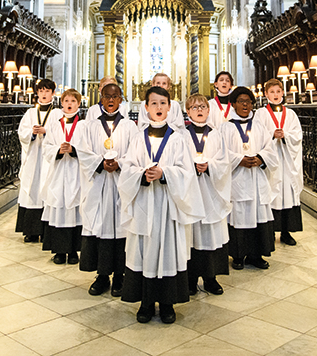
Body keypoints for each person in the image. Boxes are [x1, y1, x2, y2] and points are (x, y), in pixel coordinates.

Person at [119, 86, 204, 324]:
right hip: (144, 203)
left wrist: (165, 173)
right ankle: (145, 302)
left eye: (163, 103)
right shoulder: (138, 138)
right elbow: (127, 170)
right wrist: (142, 175)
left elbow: (187, 173)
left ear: (170, 107)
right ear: (145, 107)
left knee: (167, 250)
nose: (158, 108)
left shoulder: (178, 139)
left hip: (168, 205)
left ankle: (167, 303)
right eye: (153, 103)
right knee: (144, 251)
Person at [74, 82, 136, 297]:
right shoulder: (89, 126)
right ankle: (101, 276)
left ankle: (119, 276)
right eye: (107, 96)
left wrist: (121, 164)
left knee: (120, 228)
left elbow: (136, 155)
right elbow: (82, 152)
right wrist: (100, 163)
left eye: (115, 96)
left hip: (120, 186)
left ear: (121, 99)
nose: (111, 100)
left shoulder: (130, 127)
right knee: (99, 227)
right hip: (99, 186)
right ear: (101, 99)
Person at [219, 86, 278, 270]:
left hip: (256, 178)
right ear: (234, 104)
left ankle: (256, 255)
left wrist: (260, 158)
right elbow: (220, 153)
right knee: (239, 216)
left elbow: (270, 149)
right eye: (241, 101)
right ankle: (238, 256)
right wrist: (239, 160)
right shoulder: (225, 128)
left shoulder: (259, 126)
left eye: (248, 101)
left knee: (258, 216)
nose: (245, 105)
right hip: (238, 180)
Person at [183, 94, 230, 295]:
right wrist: (191, 167)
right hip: (191, 192)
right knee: (191, 235)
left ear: (209, 110)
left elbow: (224, 162)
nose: (199, 110)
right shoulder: (181, 135)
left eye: (202, 106)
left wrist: (210, 166)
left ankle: (211, 278)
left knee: (210, 234)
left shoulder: (216, 134)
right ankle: (191, 279)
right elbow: (177, 162)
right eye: (194, 107)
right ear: (187, 111)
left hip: (211, 191)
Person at [254, 78, 304, 246]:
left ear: (283, 93)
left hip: (286, 159)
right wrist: (271, 135)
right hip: (271, 159)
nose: (275, 95)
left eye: (278, 91)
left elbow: (297, 135)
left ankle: (286, 231)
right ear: (266, 94)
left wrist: (286, 136)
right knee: (271, 191)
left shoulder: (290, 114)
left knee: (287, 193)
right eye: (272, 92)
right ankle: (269, 232)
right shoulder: (261, 113)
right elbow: (257, 134)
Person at [40, 88, 84, 264]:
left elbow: (89, 149)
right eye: (66, 101)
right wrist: (58, 150)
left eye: (73, 101)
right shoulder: (54, 125)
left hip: (75, 171)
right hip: (58, 172)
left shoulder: (83, 126)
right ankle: (59, 251)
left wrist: (74, 150)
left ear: (78, 104)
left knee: (75, 209)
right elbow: (46, 147)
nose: (69, 104)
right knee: (58, 208)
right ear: (61, 103)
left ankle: (73, 251)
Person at [16, 79, 60, 243]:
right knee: (32, 189)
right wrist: (32, 133)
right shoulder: (30, 113)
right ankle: (31, 231)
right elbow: (22, 132)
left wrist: (46, 131)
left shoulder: (57, 113)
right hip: (34, 156)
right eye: (41, 91)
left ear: (52, 93)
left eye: (47, 91)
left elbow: (60, 133)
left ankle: (45, 231)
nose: (44, 94)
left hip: (48, 159)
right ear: (37, 93)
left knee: (46, 187)